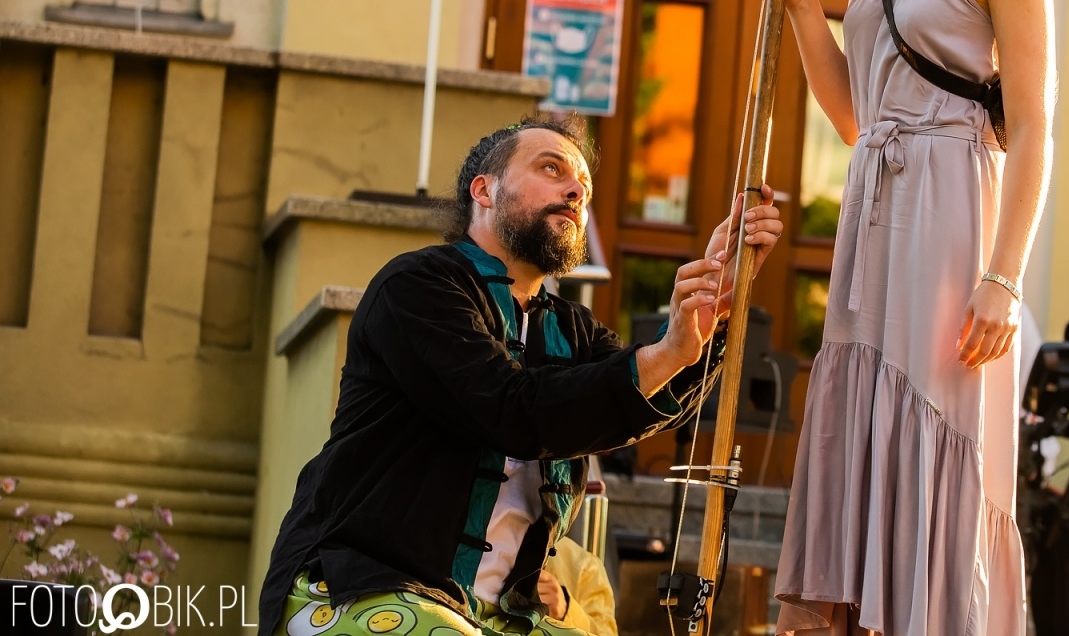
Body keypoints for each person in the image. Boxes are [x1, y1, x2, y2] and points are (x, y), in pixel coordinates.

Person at [260, 116, 782, 636]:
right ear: (484, 191)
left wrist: (714, 308)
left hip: (500, 618)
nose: (576, 189)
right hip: (356, 590)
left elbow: (646, 399)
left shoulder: (573, 329)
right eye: (551, 168)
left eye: (583, 184)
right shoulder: (417, 285)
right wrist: (666, 352)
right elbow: (508, 409)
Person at [756, 0, 1055, 635]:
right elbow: (854, 116)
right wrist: (810, 4)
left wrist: (1004, 279)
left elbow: (1036, 123)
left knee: (935, 421)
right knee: (863, 412)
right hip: (874, 203)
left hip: (952, 206)